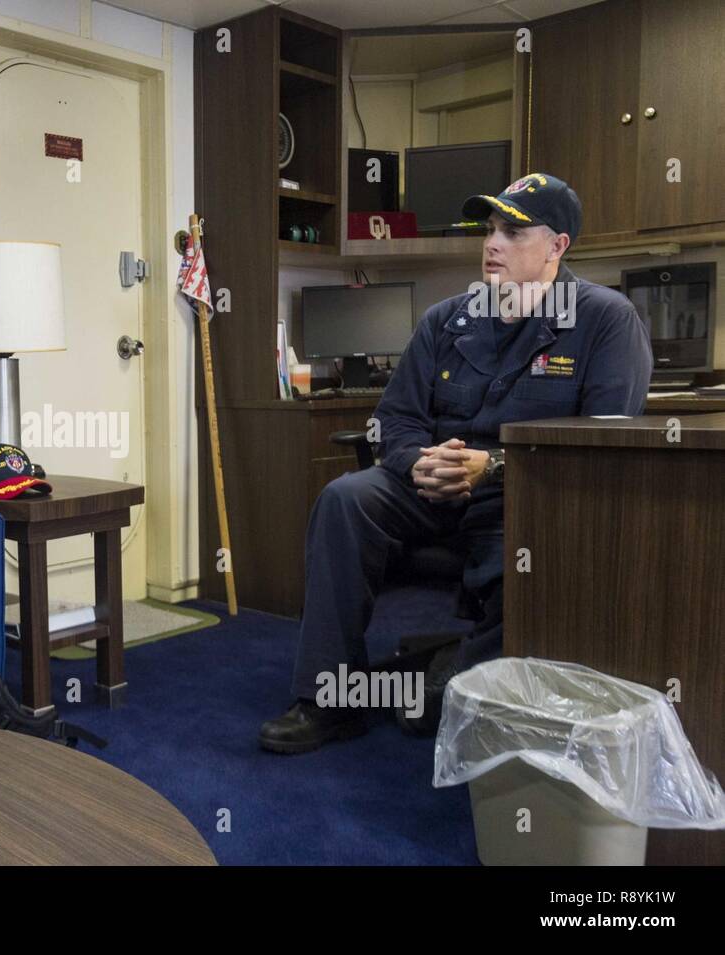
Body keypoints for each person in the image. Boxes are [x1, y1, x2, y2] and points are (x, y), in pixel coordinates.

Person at [258, 173, 653, 754]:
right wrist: (417, 462)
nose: (492, 244)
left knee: (432, 712)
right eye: (489, 230)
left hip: (524, 503)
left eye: (513, 232)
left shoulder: (605, 321)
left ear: (558, 246)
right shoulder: (448, 319)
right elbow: (396, 420)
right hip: (431, 490)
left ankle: (450, 673)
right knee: (347, 498)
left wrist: (491, 467)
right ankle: (329, 700)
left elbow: (596, 453)